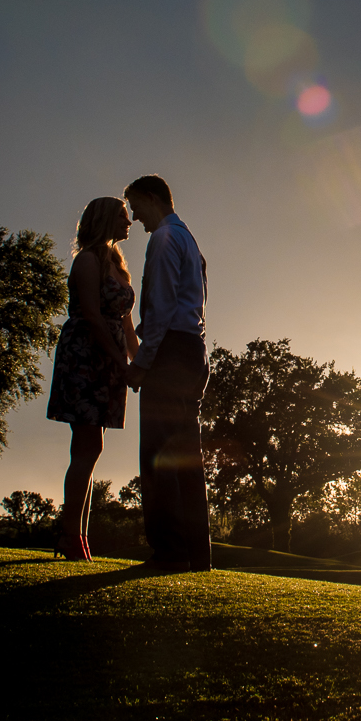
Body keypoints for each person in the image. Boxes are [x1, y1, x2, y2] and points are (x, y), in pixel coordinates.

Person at [123, 174, 211, 571]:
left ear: (152, 197)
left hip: (171, 355)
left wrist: (141, 364)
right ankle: (197, 554)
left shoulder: (162, 240)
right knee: (186, 458)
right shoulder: (189, 239)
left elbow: (159, 308)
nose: (134, 217)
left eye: (136, 206)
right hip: (192, 350)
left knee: (158, 457)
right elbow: (183, 305)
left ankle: (170, 553)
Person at [45, 196, 138, 560]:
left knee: (92, 447)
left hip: (110, 361)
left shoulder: (119, 266)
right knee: (86, 445)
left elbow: (126, 324)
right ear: (103, 220)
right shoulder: (87, 260)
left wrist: (140, 363)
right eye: (121, 215)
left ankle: (77, 536)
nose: (128, 220)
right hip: (85, 357)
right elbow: (93, 319)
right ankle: (71, 536)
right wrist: (122, 364)